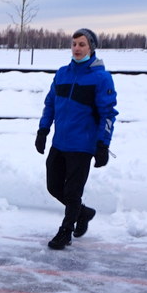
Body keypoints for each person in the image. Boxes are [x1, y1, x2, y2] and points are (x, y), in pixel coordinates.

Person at [35, 28, 118, 250]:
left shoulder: (101, 78)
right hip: (60, 142)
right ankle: (84, 213)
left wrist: (103, 144)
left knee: (72, 192)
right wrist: (43, 130)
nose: (77, 48)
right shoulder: (62, 73)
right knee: (54, 187)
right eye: (74, 44)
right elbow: (50, 103)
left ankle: (66, 231)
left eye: (82, 44)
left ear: (91, 47)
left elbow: (108, 114)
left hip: (82, 145)